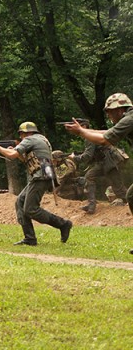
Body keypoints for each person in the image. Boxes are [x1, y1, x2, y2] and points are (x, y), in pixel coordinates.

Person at [64, 93, 133, 254]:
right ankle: (94, 203)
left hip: (109, 162)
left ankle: (94, 204)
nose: (108, 115)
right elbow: (106, 131)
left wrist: (81, 132)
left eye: (109, 111)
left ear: (120, 109)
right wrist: (82, 130)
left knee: (126, 193)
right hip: (105, 163)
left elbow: (103, 140)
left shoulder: (130, 119)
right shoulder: (128, 119)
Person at [0, 122, 72, 246]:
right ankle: (30, 238)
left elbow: (11, 155)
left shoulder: (30, 139)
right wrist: (13, 151)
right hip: (42, 176)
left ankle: (63, 224)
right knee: (20, 202)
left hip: (40, 177)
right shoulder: (41, 139)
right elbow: (25, 159)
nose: (21, 138)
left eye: (21, 135)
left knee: (31, 209)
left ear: (26, 133)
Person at [68, 120, 127, 214]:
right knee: (89, 176)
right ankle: (91, 205)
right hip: (104, 162)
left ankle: (127, 208)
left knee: (118, 187)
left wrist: (74, 158)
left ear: (83, 126)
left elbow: (87, 155)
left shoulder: (89, 137)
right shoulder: (89, 135)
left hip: (110, 161)